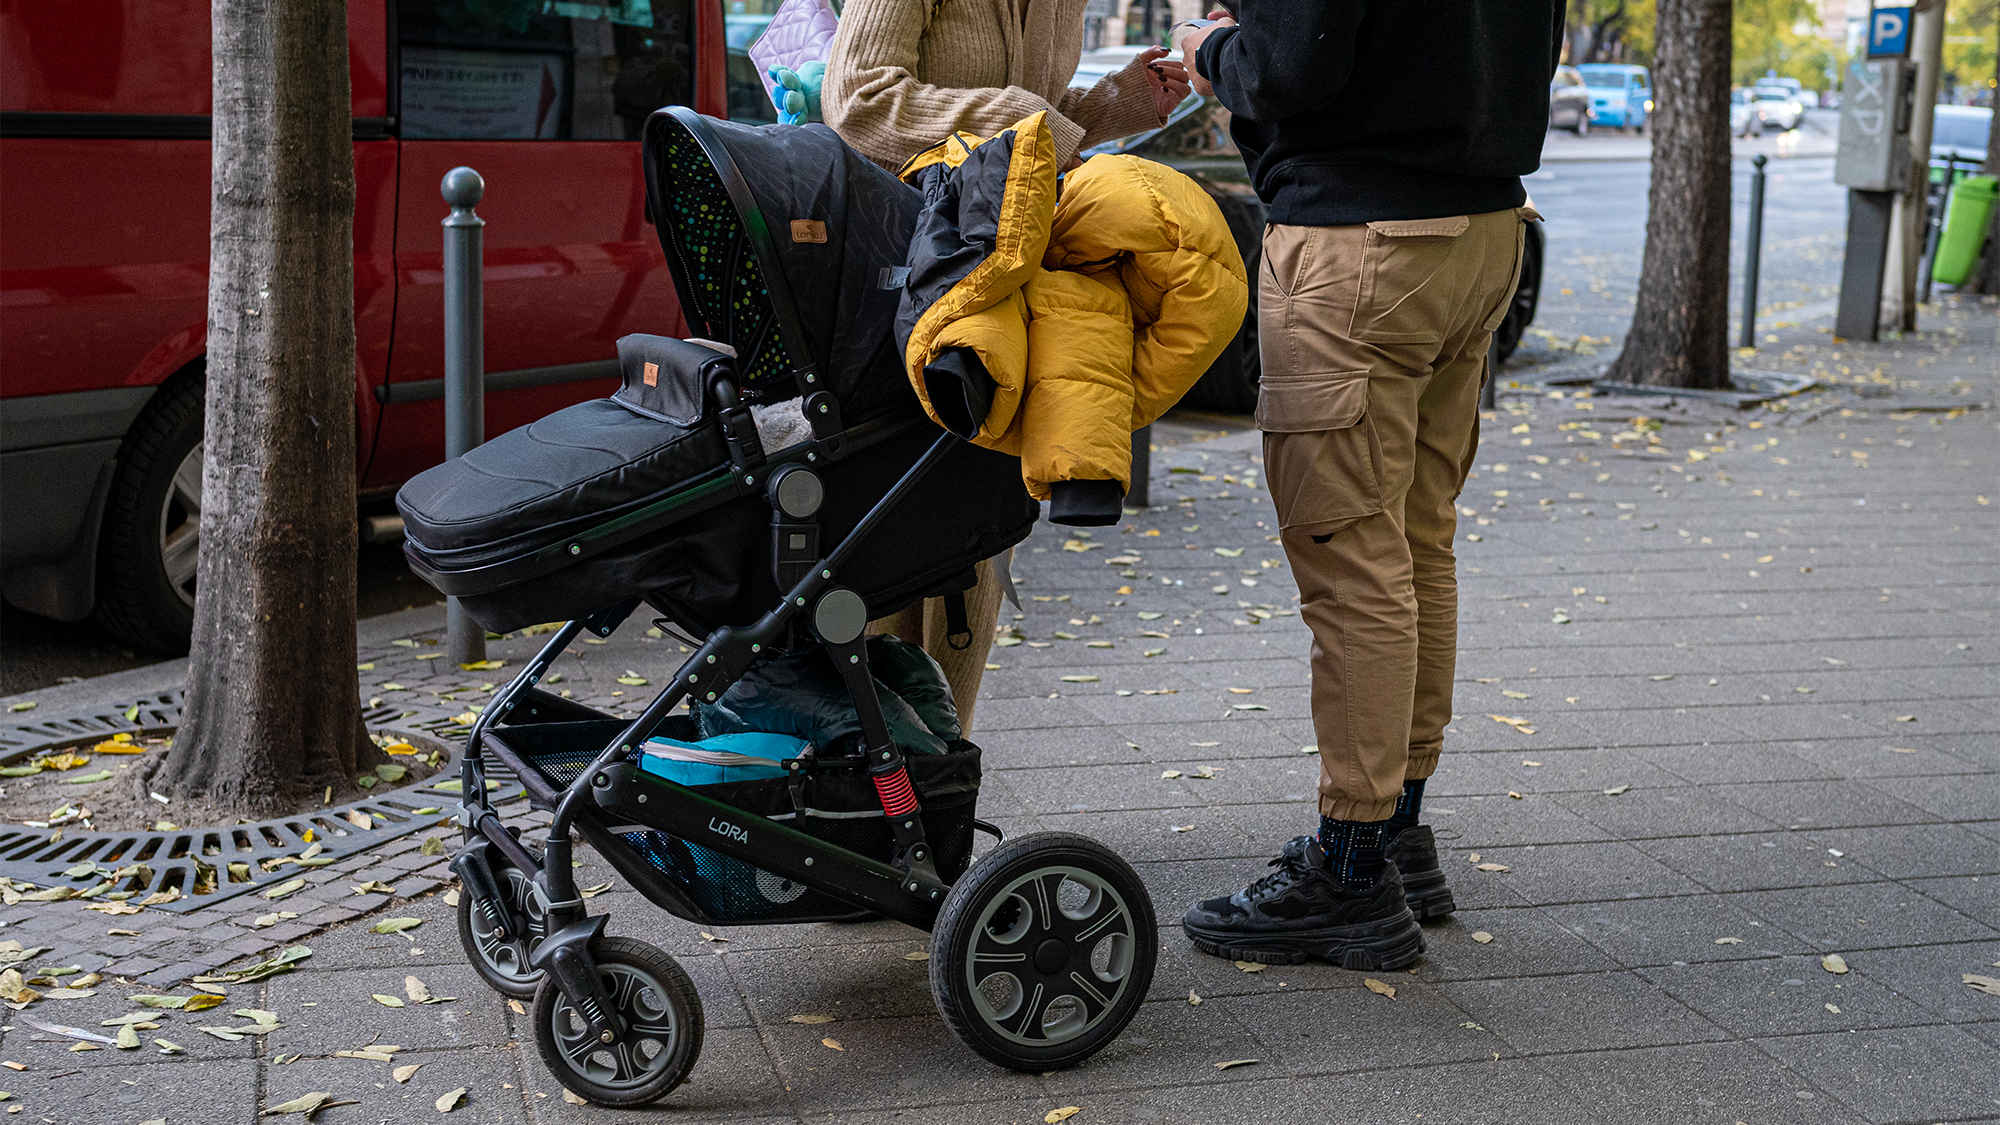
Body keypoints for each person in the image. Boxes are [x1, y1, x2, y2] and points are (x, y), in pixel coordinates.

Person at [1172, 3, 1564, 969]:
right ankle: (1397, 832)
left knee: (1353, 560)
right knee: (1415, 541)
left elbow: (1294, 63)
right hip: (1481, 230)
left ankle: (1348, 870)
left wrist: (1211, 51)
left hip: (1360, 239)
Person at [823, 0, 1191, 732]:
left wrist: (1119, 102)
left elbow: (1040, 125)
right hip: (899, 280)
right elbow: (858, 101)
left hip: (1001, 278)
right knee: (887, 542)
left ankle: (941, 773)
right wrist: (1016, 115)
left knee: (978, 541)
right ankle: (866, 778)